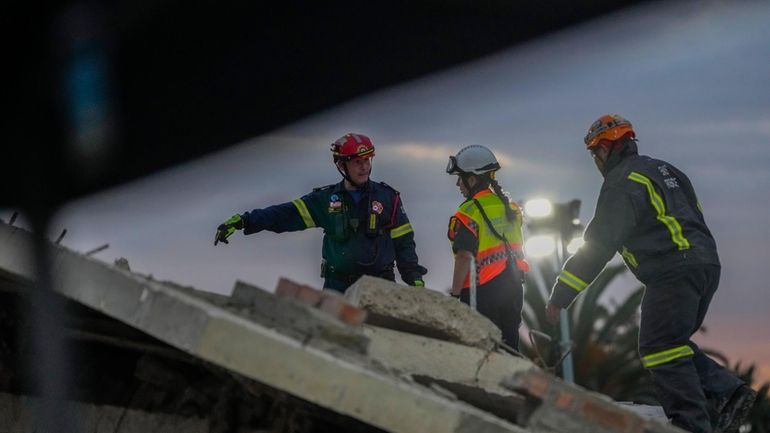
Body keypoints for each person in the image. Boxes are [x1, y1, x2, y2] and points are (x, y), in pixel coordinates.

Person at [545, 114, 756, 433]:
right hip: (705, 266)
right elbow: (693, 215)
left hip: (672, 270)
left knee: (659, 347)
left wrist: (560, 296)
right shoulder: (667, 170)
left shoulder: (620, 182)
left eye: (594, 154)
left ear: (606, 148)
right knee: (673, 342)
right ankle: (731, 393)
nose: (596, 162)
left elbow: (598, 246)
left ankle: (691, 423)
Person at [214, 132, 427, 293]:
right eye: (357, 162)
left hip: (381, 286)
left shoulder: (388, 197)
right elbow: (283, 215)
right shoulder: (324, 200)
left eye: (367, 161)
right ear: (342, 165)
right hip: (337, 288)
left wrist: (413, 277)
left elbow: (404, 241)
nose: (364, 167)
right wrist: (244, 221)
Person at [445, 145, 529, 350]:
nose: (458, 183)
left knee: (482, 350)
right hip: (513, 287)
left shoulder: (468, 211)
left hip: (481, 291)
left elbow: (464, 256)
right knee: (510, 349)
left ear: (472, 179)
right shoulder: (511, 208)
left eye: (461, 178)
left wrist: (455, 296)